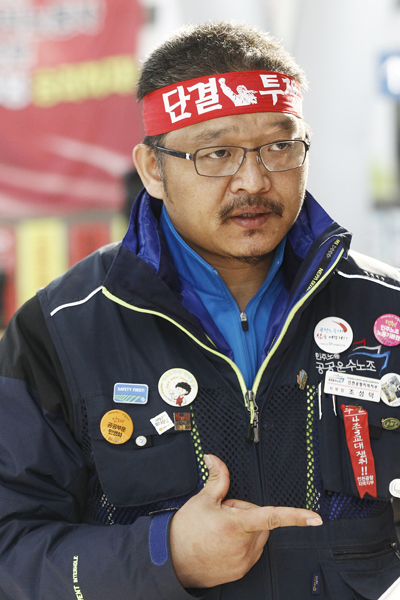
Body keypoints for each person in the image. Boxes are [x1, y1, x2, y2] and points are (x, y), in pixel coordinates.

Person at [0, 20, 399, 600]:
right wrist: (166, 556)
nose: (254, 179)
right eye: (217, 153)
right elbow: (11, 549)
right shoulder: (58, 330)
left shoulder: (385, 309)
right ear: (152, 169)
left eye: (280, 145)